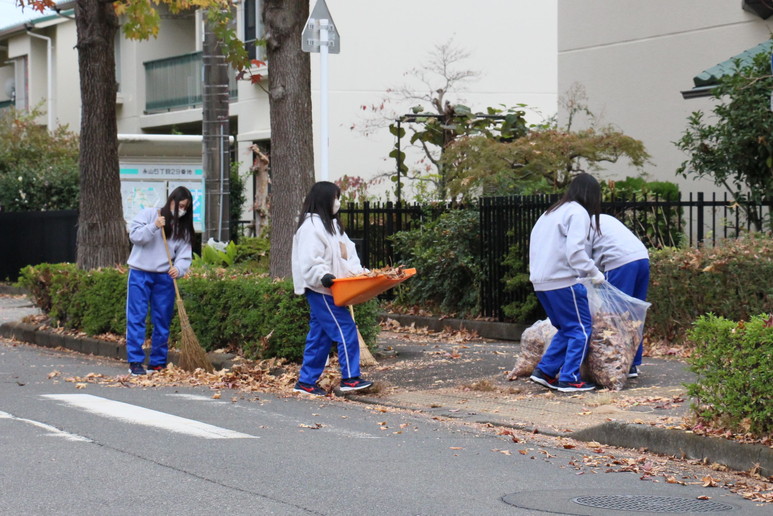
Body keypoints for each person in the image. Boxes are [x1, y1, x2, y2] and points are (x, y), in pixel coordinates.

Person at [291, 181, 373, 396]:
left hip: (334, 288)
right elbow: (310, 259)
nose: (338, 202)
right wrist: (323, 276)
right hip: (323, 289)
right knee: (346, 330)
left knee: (320, 337)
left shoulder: (332, 227)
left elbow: (348, 253)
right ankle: (350, 378)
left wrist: (359, 273)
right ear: (325, 199)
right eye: (336, 197)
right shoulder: (312, 227)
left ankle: (306, 382)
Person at [528, 173, 604, 393]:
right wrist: (593, 272)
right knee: (580, 329)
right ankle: (570, 378)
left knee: (566, 328)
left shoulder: (551, 212)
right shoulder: (577, 212)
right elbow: (576, 251)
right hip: (562, 280)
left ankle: (545, 372)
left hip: (541, 282)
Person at [125, 186, 194, 376]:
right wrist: (154, 226)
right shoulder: (149, 214)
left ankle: (157, 362)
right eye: (179, 205)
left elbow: (184, 255)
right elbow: (135, 237)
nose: (181, 210)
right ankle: (135, 362)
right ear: (170, 201)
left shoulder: (183, 229)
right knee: (137, 317)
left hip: (165, 277)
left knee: (162, 320)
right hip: (139, 273)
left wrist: (178, 269)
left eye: (185, 208)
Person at [591, 213, 650, 378]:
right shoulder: (604, 218)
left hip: (619, 262)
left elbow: (585, 259)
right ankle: (632, 363)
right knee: (633, 315)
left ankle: (616, 363)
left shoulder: (581, 224)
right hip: (641, 258)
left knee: (613, 316)